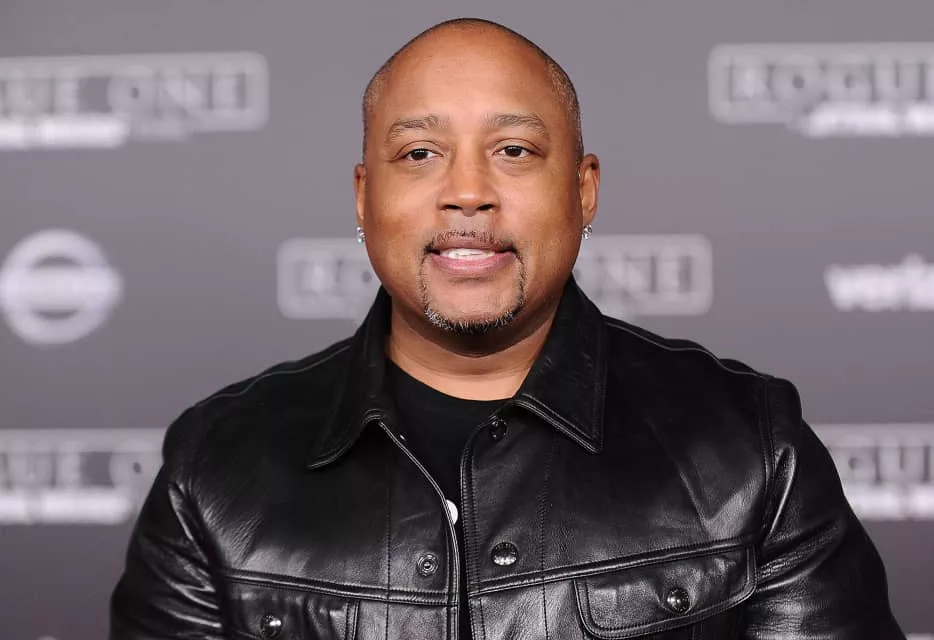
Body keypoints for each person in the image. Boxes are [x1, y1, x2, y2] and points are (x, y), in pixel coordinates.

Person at [110, 17, 905, 640]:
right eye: (419, 154)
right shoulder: (214, 468)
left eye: (515, 150)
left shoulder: (749, 446)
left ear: (584, 191)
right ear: (363, 196)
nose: (468, 192)